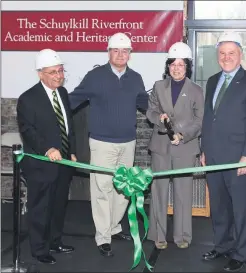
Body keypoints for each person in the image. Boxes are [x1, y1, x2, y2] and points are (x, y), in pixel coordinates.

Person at [68, 32, 149, 257]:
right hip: (102, 142)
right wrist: (54, 110)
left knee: (123, 188)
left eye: (125, 51)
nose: (121, 54)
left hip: (128, 142)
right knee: (102, 189)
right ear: (109, 52)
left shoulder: (136, 78)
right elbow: (73, 100)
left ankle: (114, 227)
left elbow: (145, 104)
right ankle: (102, 237)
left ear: (130, 54)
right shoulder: (95, 76)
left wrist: (163, 115)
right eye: (116, 50)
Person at [200, 32, 246, 272]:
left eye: (231, 53)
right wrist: (204, 150)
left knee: (241, 208)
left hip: (238, 158)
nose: (226, 57)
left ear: (240, 55)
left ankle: (241, 253)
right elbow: (209, 118)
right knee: (218, 206)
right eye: (222, 53)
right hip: (214, 156)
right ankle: (222, 246)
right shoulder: (212, 81)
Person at [17, 49, 77, 264]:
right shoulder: (28, 99)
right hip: (41, 165)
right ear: (40, 74)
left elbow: (69, 126)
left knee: (58, 205)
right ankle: (39, 249)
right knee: (40, 207)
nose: (58, 76)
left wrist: (71, 151)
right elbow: (27, 130)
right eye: (53, 72)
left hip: (63, 163)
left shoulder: (62, 93)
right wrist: (47, 149)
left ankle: (55, 241)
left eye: (60, 71)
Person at [146, 42, 205, 250]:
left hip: (185, 148)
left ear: (187, 66)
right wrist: (158, 118)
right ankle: (158, 235)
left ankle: (182, 236)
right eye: (173, 64)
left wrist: (182, 134)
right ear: (168, 66)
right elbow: (150, 111)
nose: (176, 68)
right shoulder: (158, 87)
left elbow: (199, 121)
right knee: (159, 192)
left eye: (181, 64)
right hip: (161, 147)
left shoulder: (196, 91)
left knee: (183, 193)